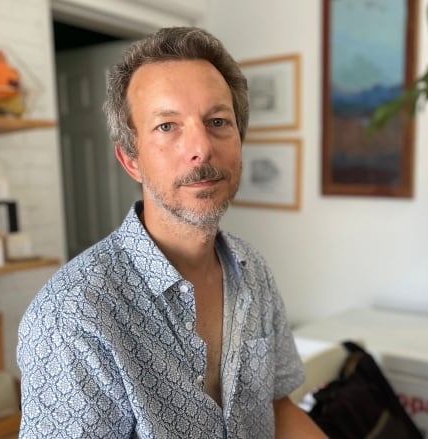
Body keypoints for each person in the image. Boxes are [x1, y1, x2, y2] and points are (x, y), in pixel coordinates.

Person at [16, 26, 327, 438]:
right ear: (131, 159)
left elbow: (278, 410)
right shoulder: (71, 316)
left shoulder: (254, 272)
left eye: (218, 121)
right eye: (167, 126)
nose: (201, 147)